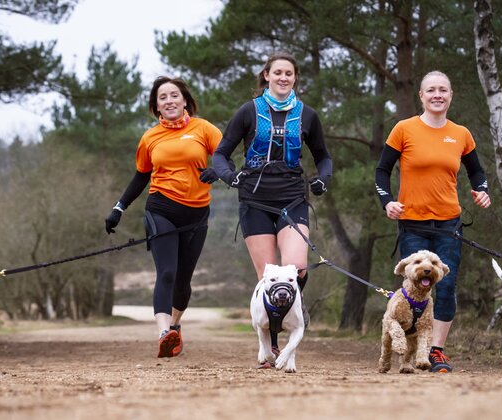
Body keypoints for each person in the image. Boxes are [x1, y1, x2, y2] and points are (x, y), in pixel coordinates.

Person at [374, 71, 492, 373]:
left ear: (450, 95)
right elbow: (382, 171)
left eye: (443, 90)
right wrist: (387, 201)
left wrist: (482, 191)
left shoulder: (461, 134)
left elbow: (477, 173)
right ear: (422, 96)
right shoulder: (404, 129)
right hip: (413, 223)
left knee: (447, 285)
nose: (437, 95)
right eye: (431, 90)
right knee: (414, 287)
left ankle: (436, 351)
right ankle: (408, 350)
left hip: (449, 224)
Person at [104, 76, 223, 358]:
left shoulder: (203, 129)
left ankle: (175, 326)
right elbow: (141, 175)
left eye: (174, 95)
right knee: (167, 272)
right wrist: (119, 207)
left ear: (184, 101)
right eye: (162, 97)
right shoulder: (150, 137)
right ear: (156, 106)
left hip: (196, 213)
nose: (169, 100)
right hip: (161, 208)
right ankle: (163, 332)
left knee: (183, 279)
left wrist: (217, 170)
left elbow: (224, 157)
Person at [207, 52, 333, 299]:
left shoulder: (308, 115)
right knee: (269, 278)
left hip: (293, 198)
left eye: (289, 73)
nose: (283, 78)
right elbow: (221, 154)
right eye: (278, 73)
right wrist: (229, 176)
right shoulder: (248, 111)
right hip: (255, 201)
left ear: (295, 78)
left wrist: (323, 179)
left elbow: (323, 157)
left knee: (296, 268)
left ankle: (294, 309)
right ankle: (272, 336)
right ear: (267, 76)